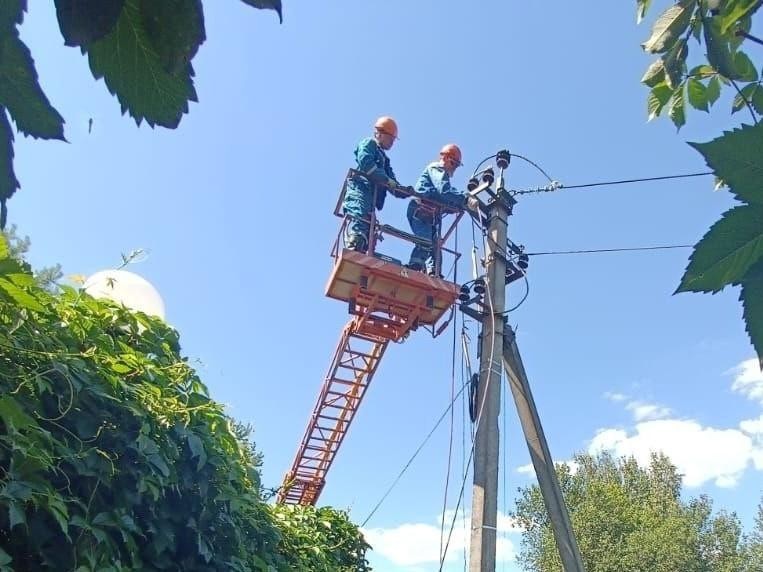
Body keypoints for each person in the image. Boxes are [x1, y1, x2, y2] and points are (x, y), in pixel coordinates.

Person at [406, 144, 478, 275]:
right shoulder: (436, 169)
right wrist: (465, 199)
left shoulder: (441, 176)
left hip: (430, 215)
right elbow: (444, 191)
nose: (454, 168)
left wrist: (459, 205)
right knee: (425, 241)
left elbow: (445, 199)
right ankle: (415, 266)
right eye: (453, 163)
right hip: (420, 210)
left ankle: (433, 272)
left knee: (436, 247)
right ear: (445, 158)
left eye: (456, 165)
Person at [342, 116, 403, 253]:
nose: (392, 143)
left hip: (371, 196)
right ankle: (355, 242)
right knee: (360, 213)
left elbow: (393, 183)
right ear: (380, 134)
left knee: (368, 222)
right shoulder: (369, 144)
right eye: (391, 139)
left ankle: (362, 246)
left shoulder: (384, 160)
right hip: (360, 188)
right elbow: (366, 162)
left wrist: (407, 192)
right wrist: (386, 180)